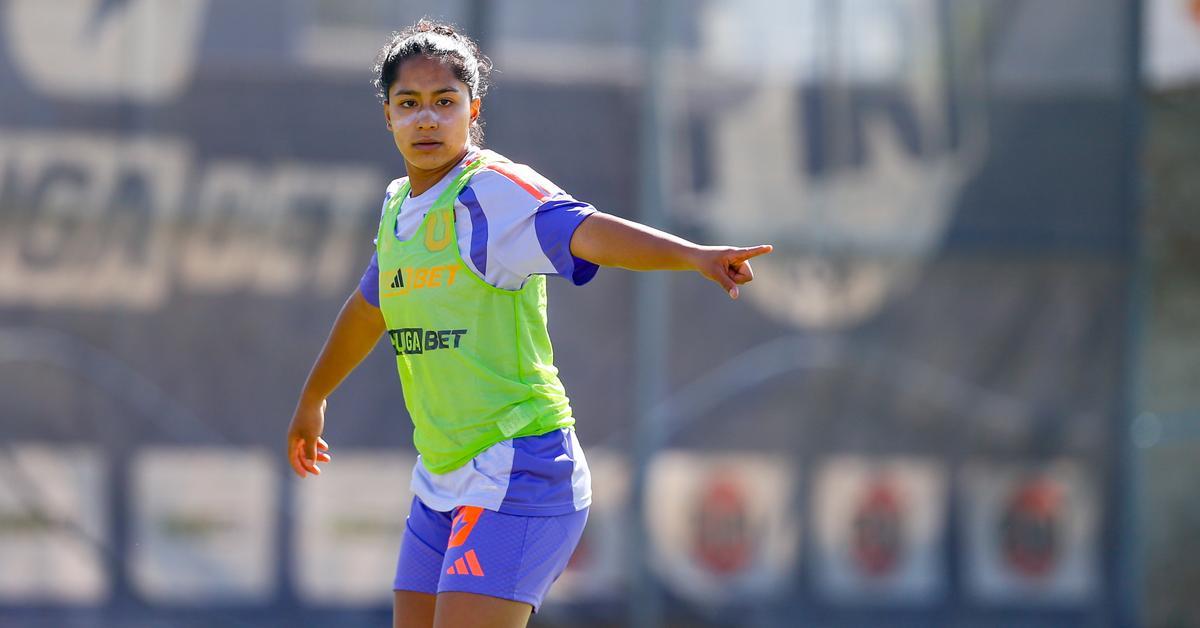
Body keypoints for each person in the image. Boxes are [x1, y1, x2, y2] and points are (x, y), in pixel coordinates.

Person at [285, 19, 772, 628]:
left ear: (473, 109)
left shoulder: (492, 192)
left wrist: (693, 255)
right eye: (408, 104)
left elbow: (588, 232)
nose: (427, 119)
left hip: (521, 469)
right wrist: (314, 397)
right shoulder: (397, 209)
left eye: (445, 102)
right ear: (387, 117)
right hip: (441, 478)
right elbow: (370, 307)